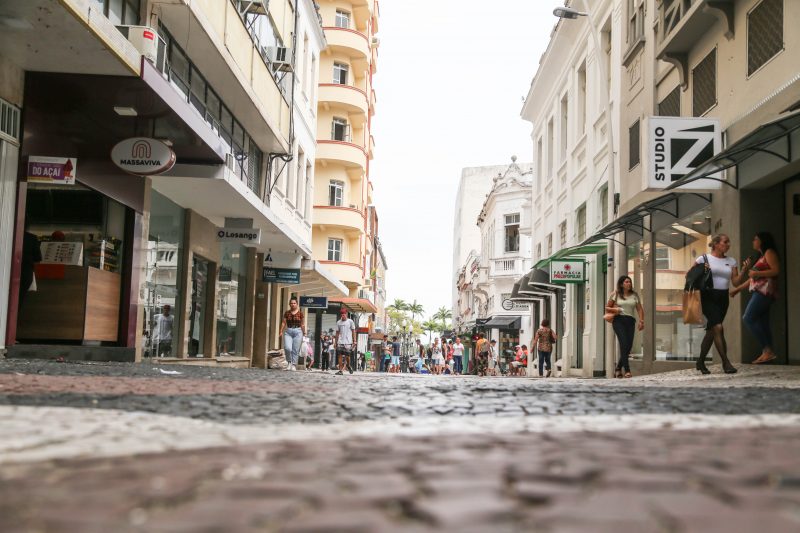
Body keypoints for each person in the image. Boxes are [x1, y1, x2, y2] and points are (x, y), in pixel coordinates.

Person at [730, 231, 781, 364]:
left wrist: (757, 273)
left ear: (762, 241)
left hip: (764, 292)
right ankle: (767, 352)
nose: (753, 241)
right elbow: (752, 279)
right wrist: (737, 290)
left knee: (748, 317)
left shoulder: (769, 252)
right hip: (761, 291)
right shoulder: (761, 256)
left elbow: (776, 270)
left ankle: (767, 350)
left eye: (755, 239)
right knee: (763, 323)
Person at [695, 234, 740, 375]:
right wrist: (702, 271)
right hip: (708, 296)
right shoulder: (703, 259)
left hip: (723, 298)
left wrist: (744, 270)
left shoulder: (731, 261)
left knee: (712, 331)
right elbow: (690, 277)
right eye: (725, 242)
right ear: (715, 244)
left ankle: (700, 362)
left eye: (728, 242)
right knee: (718, 327)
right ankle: (726, 363)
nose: (728, 244)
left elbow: (736, 282)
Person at [606, 275, 645, 378]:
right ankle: (627, 370)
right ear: (621, 284)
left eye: (630, 282)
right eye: (627, 282)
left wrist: (641, 321)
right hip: (619, 320)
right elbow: (607, 308)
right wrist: (616, 310)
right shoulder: (616, 294)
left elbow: (640, 309)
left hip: (630, 321)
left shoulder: (634, 295)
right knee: (623, 344)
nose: (629, 284)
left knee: (628, 346)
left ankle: (618, 368)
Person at [18, 227, 42, 312]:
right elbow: (38, 258)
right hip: (25, 272)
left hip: (7, 271)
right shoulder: (32, 238)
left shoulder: (8, 235)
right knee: (19, 299)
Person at [280, 297, 305, 371]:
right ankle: (289, 362)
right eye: (291, 303)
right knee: (287, 348)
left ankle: (293, 365)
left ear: (297, 304)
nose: (293, 304)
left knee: (295, 349)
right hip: (288, 331)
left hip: (298, 331)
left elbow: (302, 324)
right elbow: (284, 322)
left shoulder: (300, 313)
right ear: (289, 304)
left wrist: (304, 333)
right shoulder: (287, 313)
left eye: (294, 303)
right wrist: (280, 331)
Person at [335, 308, 356, 375]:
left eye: (343, 314)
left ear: (346, 314)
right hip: (340, 342)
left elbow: (353, 331)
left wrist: (354, 341)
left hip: (348, 342)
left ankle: (348, 365)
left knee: (347, 357)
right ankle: (340, 370)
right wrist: (335, 342)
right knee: (340, 355)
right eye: (341, 314)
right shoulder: (338, 322)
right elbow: (337, 333)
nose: (342, 316)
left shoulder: (350, 322)